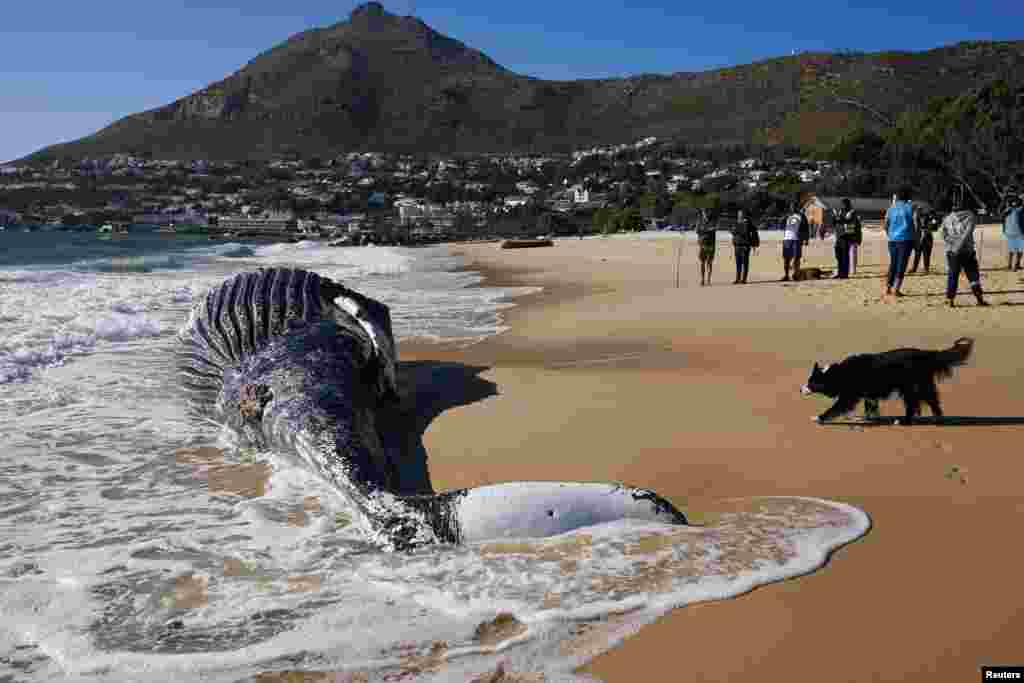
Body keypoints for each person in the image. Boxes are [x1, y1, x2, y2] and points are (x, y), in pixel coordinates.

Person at [941, 195, 988, 307]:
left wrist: (953, 243)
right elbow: (966, 235)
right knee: (973, 275)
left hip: (952, 251)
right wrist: (958, 245)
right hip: (967, 251)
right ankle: (979, 299)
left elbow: (943, 234)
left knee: (953, 275)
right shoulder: (970, 216)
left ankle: (950, 300)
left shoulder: (947, 218)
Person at [883, 187, 917, 297]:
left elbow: (885, 225)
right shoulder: (912, 207)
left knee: (893, 263)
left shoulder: (891, 208)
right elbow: (916, 223)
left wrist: (890, 234)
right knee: (901, 265)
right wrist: (916, 237)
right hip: (906, 239)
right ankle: (896, 290)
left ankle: (888, 287)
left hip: (892, 240)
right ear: (908, 197)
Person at [832, 198, 860, 279]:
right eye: (842, 204)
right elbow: (835, 223)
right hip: (839, 236)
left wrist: (838, 218)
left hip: (847, 236)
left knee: (845, 256)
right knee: (838, 255)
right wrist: (834, 217)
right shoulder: (840, 212)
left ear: (848, 204)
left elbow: (848, 221)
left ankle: (844, 274)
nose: (842, 206)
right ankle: (840, 272)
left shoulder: (852, 212)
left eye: (844, 204)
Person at [732, 210, 760, 284]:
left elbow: (754, 234)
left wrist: (754, 245)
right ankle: (737, 279)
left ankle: (744, 279)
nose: (739, 215)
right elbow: (733, 232)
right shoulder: (736, 223)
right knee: (738, 263)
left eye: (740, 214)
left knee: (745, 263)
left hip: (745, 245)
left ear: (744, 215)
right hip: (737, 245)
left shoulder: (748, 223)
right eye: (738, 214)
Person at [781, 201, 805, 281]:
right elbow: (782, 225)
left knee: (796, 258)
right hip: (787, 239)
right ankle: (786, 275)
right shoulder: (787, 216)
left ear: (797, 207)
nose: (792, 208)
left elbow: (806, 228)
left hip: (797, 239)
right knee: (786, 259)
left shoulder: (801, 216)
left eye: (794, 206)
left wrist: (806, 239)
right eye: (791, 207)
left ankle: (796, 274)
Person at [909, 209, 938, 274]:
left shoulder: (931, 219)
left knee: (926, 254)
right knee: (917, 254)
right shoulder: (917, 220)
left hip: (927, 238)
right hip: (919, 238)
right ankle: (914, 268)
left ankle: (926, 269)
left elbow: (935, 228)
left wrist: (928, 228)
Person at [1003, 195, 1023, 271]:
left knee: (1014, 250)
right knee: (1018, 250)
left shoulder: (1017, 210)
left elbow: (1001, 216)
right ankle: (1014, 265)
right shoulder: (1010, 211)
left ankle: (1013, 265)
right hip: (1016, 232)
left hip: (1011, 232)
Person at [697, 209, 716, 286]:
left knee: (709, 263)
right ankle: (702, 279)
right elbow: (697, 231)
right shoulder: (700, 222)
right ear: (702, 214)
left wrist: (704, 230)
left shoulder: (712, 222)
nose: (705, 215)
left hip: (711, 245)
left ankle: (708, 279)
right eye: (704, 213)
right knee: (702, 262)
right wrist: (706, 230)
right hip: (702, 245)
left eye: (706, 213)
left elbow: (713, 229)